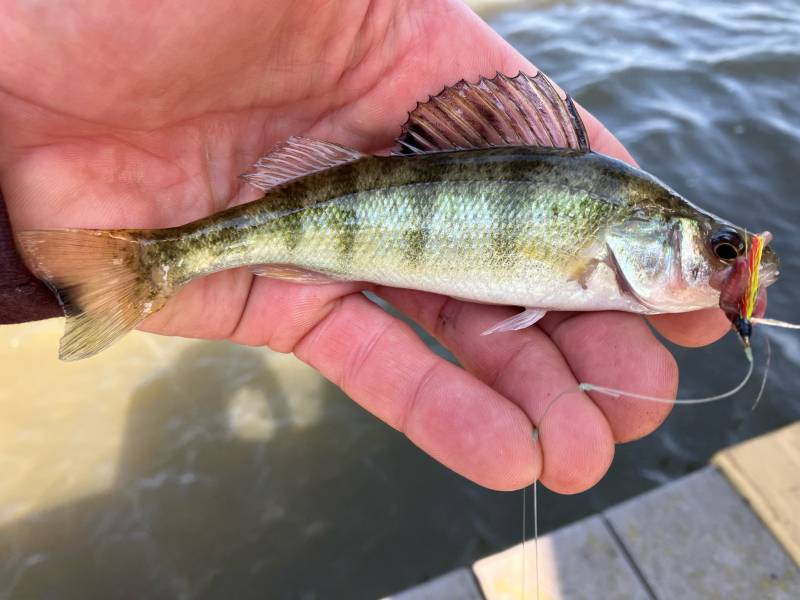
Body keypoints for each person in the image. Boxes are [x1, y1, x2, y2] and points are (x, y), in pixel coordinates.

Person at [0, 0, 731, 493]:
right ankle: (154, 263)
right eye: (714, 247)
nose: (721, 265)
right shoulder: (602, 220)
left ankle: (143, 267)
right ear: (652, 230)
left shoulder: (608, 215)